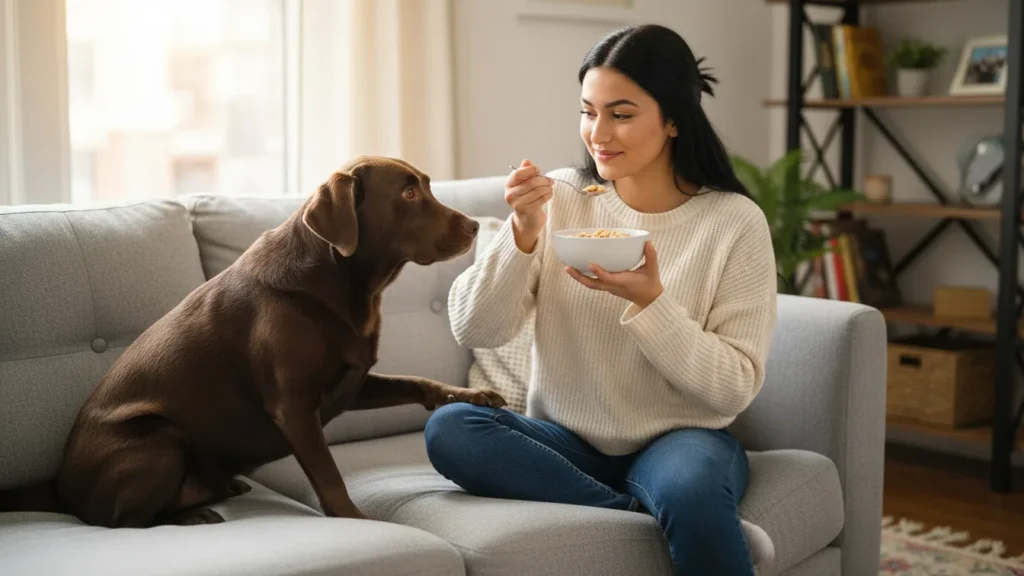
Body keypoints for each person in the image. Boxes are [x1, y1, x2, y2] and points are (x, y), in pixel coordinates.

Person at [424, 23, 777, 576]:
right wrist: (521, 232)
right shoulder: (562, 198)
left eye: (622, 113)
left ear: (674, 119)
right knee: (451, 428)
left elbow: (734, 384)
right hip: (564, 439)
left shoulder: (733, 222)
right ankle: (652, 517)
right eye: (588, 111)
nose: (598, 133)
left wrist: (653, 304)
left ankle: (686, 508)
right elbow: (475, 329)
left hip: (680, 439)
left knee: (688, 485)